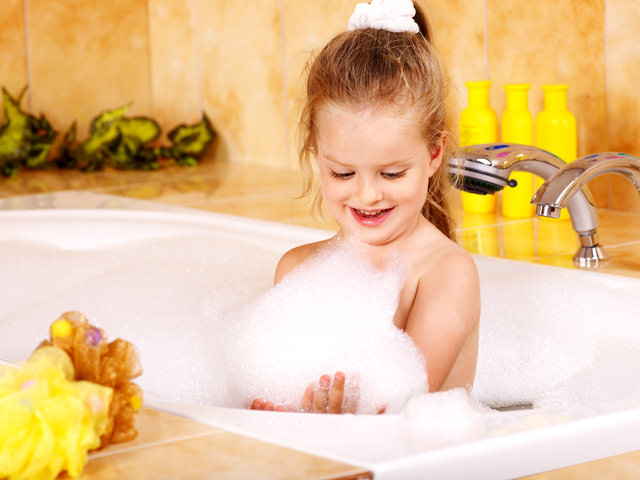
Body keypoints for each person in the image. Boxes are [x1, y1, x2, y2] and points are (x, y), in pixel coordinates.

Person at [251, 0, 480, 414]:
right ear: (315, 150)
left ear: (433, 154)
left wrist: (330, 419)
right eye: (343, 174)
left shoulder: (446, 273)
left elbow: (399, 407)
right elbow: (272, 382)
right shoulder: (297, 267)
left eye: (391, 174)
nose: (368, 195)